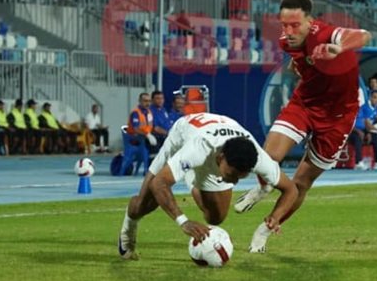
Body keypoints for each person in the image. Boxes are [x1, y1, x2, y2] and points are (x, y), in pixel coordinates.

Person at [233, 0, 371, 253]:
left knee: (301, 184)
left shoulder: (326, 34)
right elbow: (299, 62)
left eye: (295, 24)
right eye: (284, 25)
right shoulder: (287, 41)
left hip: (338, 117)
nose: (288, 31)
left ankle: (265, 229)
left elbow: (363, 35)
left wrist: (339, 48)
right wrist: (301, 67)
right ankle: (263, 187)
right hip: (305, 103)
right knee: (268, 156)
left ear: (310, 21)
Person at [118, 112, 299, 261]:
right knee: (144, 203)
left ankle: (191, 175)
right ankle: (128, 228)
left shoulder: (258, 158)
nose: (234, 182)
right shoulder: (198, 149)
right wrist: (183, 221)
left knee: (216, 217)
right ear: (220, 159)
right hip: (183, 135)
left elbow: (291, 190)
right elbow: (159, 183)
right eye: (231, 176)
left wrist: (275, 217)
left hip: (220, 133)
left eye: (240, 178)